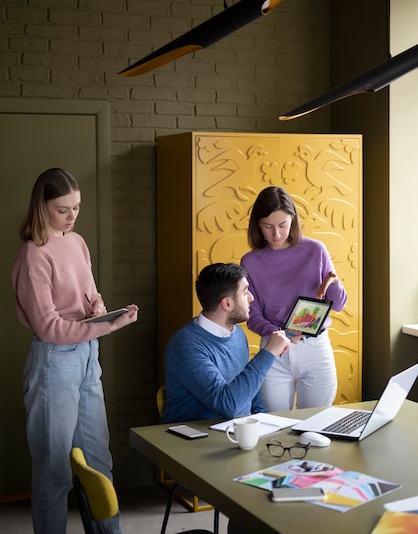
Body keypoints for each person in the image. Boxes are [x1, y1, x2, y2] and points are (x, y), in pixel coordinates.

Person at [12, 168, 139, 534]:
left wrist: (99, 308)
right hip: (54, 361)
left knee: (100, 463)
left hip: (86, 357)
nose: (72, 216)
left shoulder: (77, 242)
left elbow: (89, 292)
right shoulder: (32, 255)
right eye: (63, 209)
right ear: (42, 207)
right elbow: (48, 326)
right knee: (54, 475)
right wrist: (106, 326)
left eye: (77, 207)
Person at [241, 186, 347, 412]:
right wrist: (280, 335)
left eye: (282, 225)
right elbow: (253, 316)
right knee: (275, 423)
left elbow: (339, 304)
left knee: (317, 421)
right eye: (268, 227)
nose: (276, 234)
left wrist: (333, 283)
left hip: (315, 348)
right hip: (273, 348)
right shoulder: (250, 261)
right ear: (257, 225)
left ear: (293, 221)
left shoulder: (315, 250)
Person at [162, 262, 290, 424]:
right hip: (195, 439)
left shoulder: (237, 334)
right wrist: (268, 352)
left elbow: (250, 389)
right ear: (227, 304)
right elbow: (228, 405)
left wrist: (264, 420)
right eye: (245, 293)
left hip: (238, 432)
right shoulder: (186, 345)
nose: (251, 298)